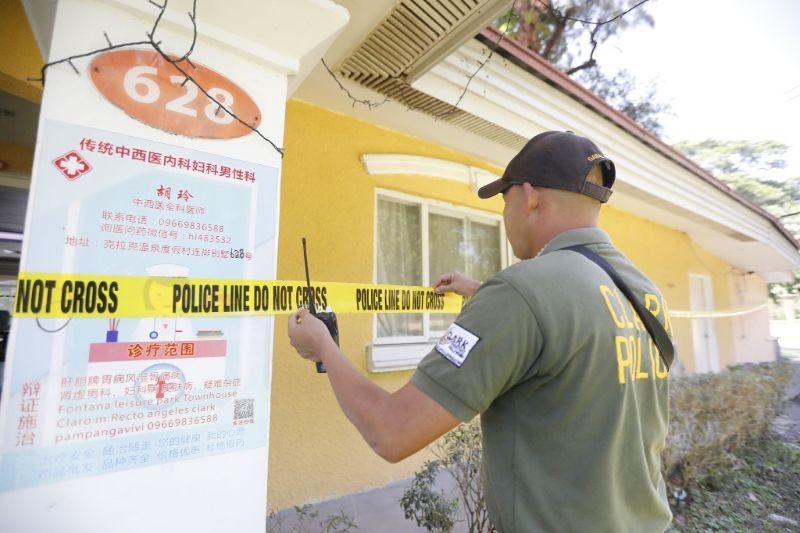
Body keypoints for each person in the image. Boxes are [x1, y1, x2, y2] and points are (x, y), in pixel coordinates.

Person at [288, 131, 672, 532]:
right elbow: (565, 333)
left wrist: (323, 347)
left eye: (504, 202)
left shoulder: (520, 293)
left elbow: (390, 432)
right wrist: (486, 294)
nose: (505, 216)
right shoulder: (643, 290)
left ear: (530, 196)